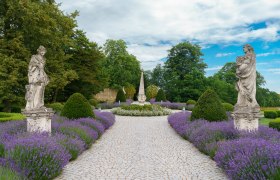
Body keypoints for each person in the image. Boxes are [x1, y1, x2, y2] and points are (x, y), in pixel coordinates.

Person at [235, 44, 259, 110]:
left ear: (248, 48)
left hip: (249, 74)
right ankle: (242, 103)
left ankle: (251, 103)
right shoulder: (245, 56)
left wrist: (240, 63)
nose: (243, 49)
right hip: (244, 74)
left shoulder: (252, 55)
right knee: (241, 87)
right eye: (243, 48)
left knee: (249, 89)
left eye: (244, 48)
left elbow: (248, 63)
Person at [25, 46, 49, 110]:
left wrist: (44, 74)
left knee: (41, 89)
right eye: (41, 50)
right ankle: (33, 106)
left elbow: (42, 68)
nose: (43, 52)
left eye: (44, 51)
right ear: (38, 50)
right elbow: (30, 66)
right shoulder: (34, 57)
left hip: (41, 74)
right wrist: (36, 65)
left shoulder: (44, 59)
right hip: (35, 74)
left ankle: (40, 105)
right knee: (33, 89)